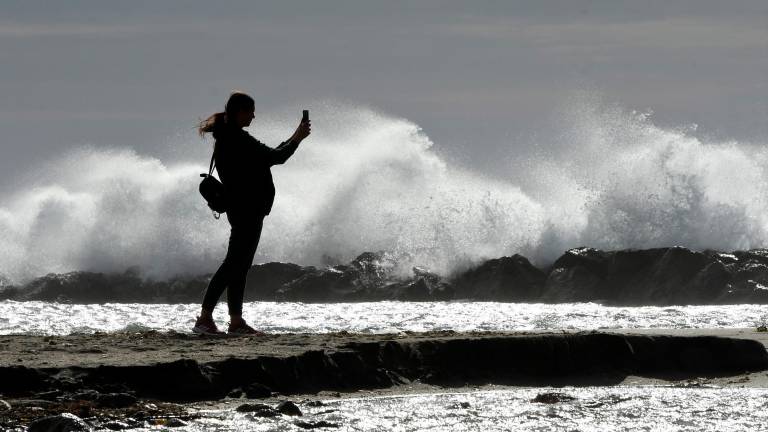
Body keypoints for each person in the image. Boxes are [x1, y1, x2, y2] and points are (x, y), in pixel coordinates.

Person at [193, 91, 311, 335]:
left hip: (244, 209)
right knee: (233, 264)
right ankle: (206, 319)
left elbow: (269, 156)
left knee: (239, 265)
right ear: (239, 112)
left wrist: (294, 137)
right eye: (251, 111)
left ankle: (235, 321)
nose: (254, 116)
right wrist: (297, 138)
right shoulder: (236, 139)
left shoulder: (228, 137)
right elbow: (276, 157)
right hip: (247, 209)